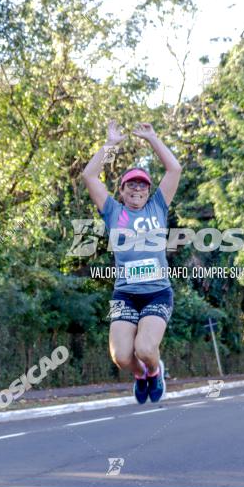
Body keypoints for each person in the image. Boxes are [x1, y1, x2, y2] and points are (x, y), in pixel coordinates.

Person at [81, 120, 182, 404]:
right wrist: (110, 143)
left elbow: (174, 169)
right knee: (122, 357)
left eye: (142, 184)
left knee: (146, 349)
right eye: (131, 184)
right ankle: (141, 375)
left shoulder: (158, 206)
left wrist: (153, 138)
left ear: (148, 190)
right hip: (125, 294)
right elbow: (89, 176)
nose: (137, 188)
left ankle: (154, 369)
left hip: (156, 293)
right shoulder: (112, 210)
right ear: (122, 190)